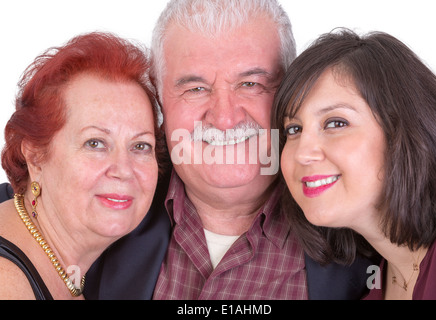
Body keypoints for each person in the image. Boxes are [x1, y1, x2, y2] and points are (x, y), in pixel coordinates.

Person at [85, 0, 373, 300]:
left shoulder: (369, 237)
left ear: (291, 89)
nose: (224, 119)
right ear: (158, 97)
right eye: (195, 89)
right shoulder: (105, 215)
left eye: (250, 84)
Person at [272, 28, 436, 300]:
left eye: (336, 123)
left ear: (403, 132)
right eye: (293, 129)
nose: (302, 154)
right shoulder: (371, 287)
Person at [0, 32, 166, 299]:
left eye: (140, 146)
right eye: (95, 143)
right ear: (35, 157)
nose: (123, 170)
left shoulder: (70, 268)